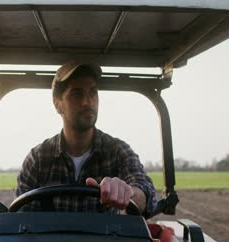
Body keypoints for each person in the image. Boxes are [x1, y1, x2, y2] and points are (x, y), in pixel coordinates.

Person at [16, 61, 157, 217]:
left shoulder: (117, 151)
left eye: (92, 93)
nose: (87, 102)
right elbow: (23, 220)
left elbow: (145, 192)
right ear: (58, 104)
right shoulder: (38, 159)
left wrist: (128, 192)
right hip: (49, 241)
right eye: (77, 94)